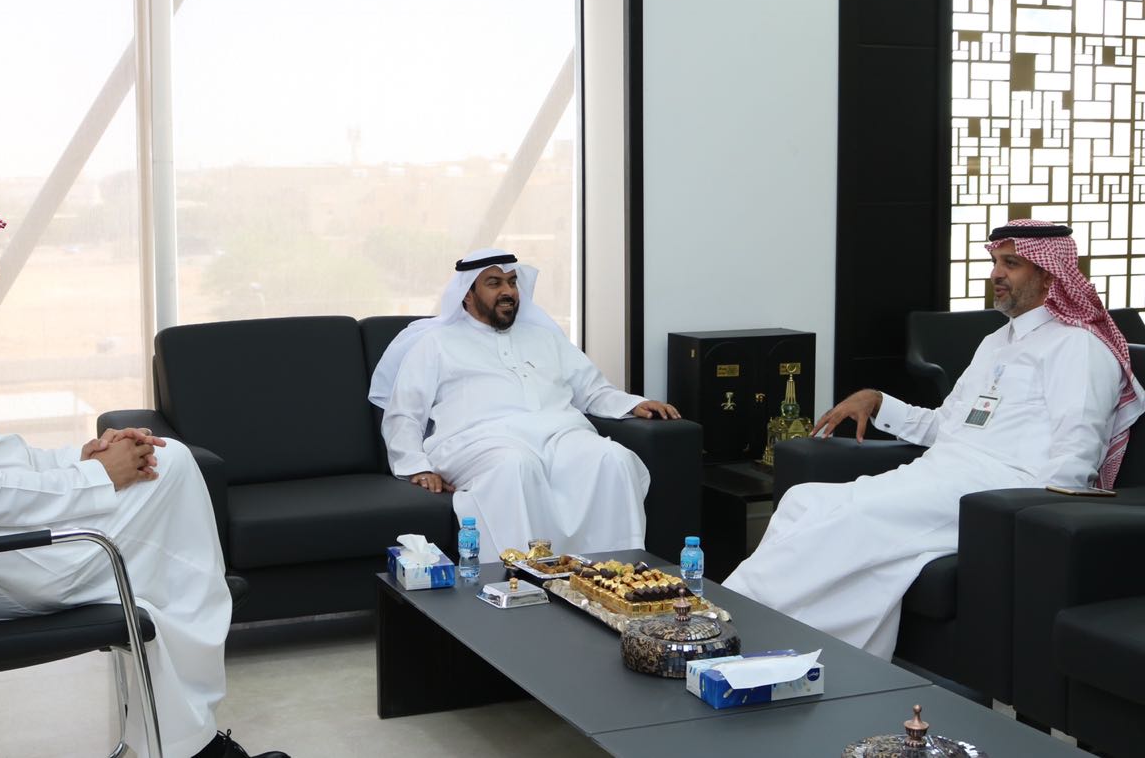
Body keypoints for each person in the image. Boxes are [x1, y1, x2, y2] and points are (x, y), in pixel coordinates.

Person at [0, 186, 286, 758]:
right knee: (173, 480)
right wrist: (102, 477)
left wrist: (82, 459)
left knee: (166, 490)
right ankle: (191, 734)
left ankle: (185, 734)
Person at [724, 219, 1145, 659]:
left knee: (852, 516)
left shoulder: (1079, 347)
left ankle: (730, 627)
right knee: (804, 500)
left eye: (1011, 264)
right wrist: (878, 402)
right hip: (943, 471)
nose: (996, 274)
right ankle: (788, 647)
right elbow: (948, 426)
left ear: (1048, 275)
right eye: (995, 262)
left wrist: (1029, 521)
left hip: (999, 493)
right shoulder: (996, 343)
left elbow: (1077, 456)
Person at [368, 248, 679, 559]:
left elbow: (592, 389)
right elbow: (404, 413)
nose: (508, 291)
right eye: (494, 283)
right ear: (467, 295)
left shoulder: (545, 338)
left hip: (559, 436)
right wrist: (417, 467)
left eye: (512, 282)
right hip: (477, 442)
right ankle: (517, 579)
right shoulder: (436, 343)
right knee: (515, 465)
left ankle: (614, 574)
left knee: (613, 459)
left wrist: (632, 405)